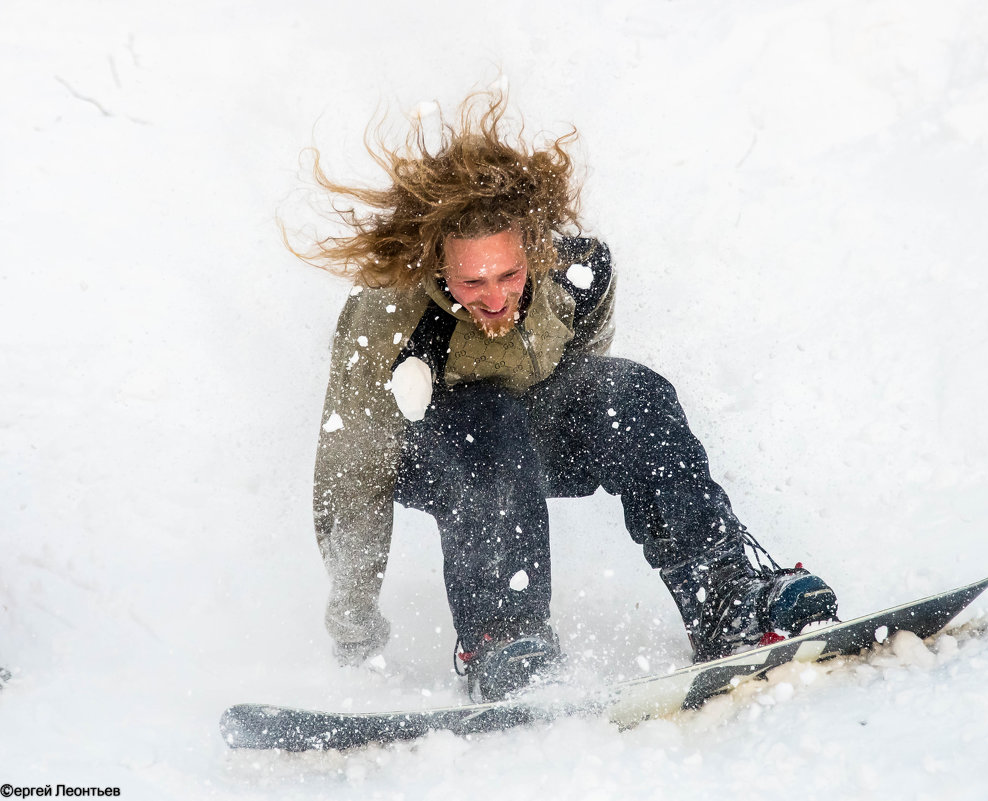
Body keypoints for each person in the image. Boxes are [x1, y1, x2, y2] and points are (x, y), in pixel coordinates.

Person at [297, 90, 838, 701]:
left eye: (508, 274)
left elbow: (582, 389)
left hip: (524, 445)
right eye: (472, 281)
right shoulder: (384, 316)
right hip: (434, 458)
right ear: (437, 266)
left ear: (532, 249)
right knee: (489, 415)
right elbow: (353, 471)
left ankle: (728, 600)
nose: (495, 298)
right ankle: (503, 638)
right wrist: (354, 630)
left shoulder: (578, 273)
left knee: (627, 390)